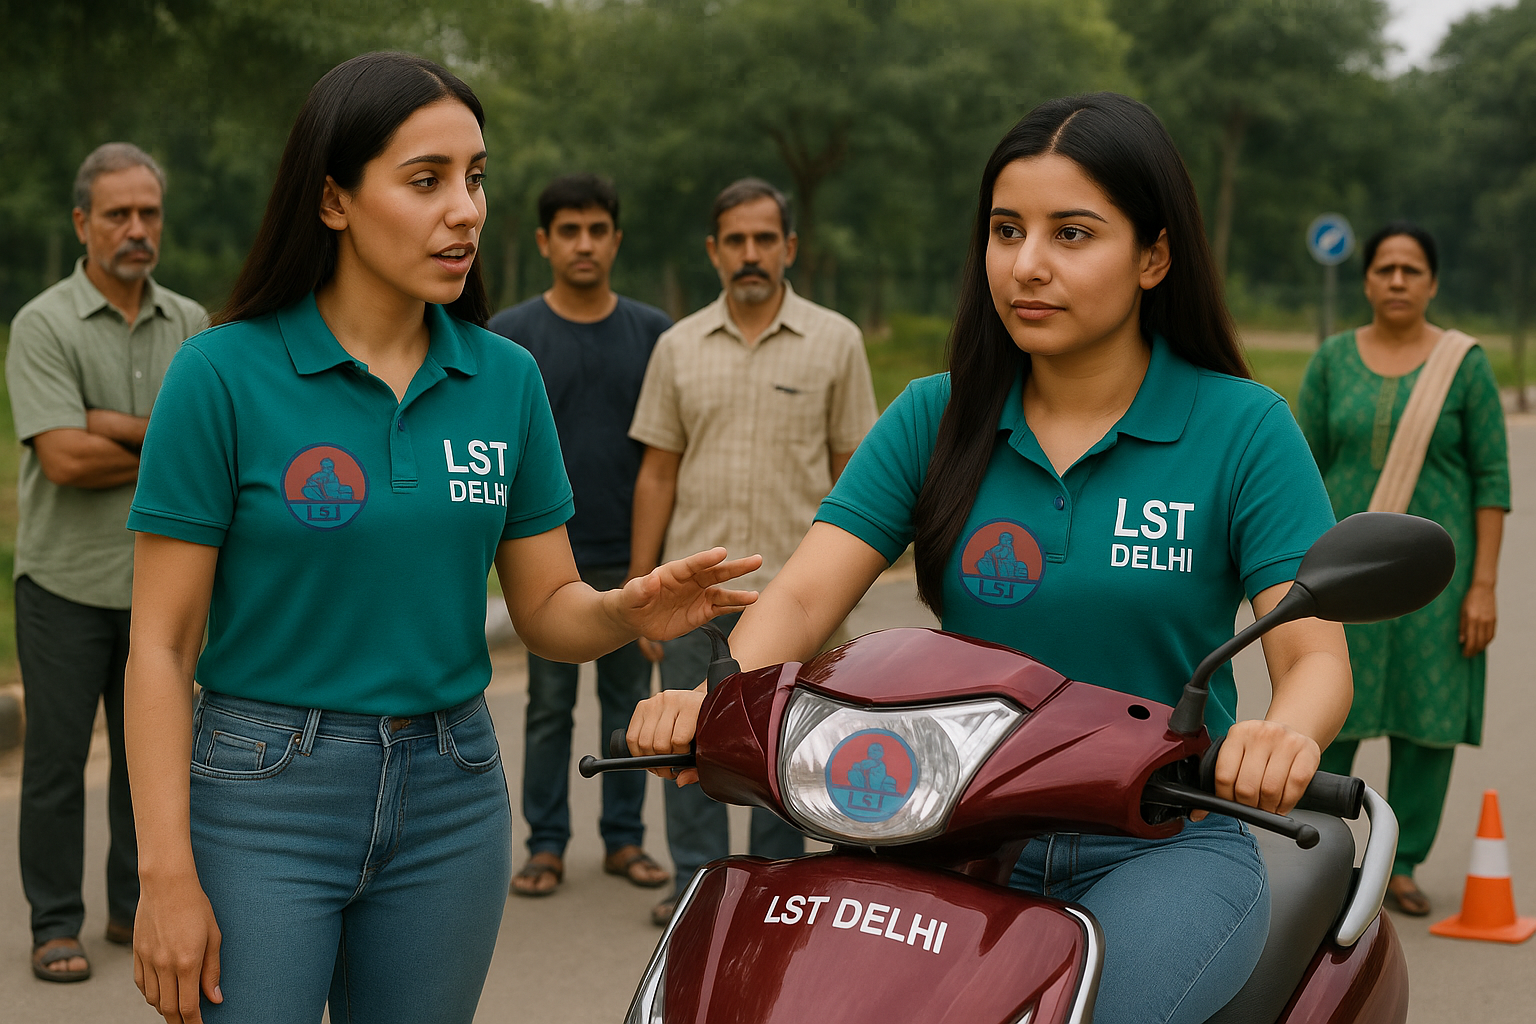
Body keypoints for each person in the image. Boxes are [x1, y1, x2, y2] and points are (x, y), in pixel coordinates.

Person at [628, 93, 1354, 1024]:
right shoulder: (936, 415)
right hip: (936, 824)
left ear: (1154, 256)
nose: (1027, 265)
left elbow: (1314, 656)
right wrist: (721, 694)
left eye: (1072, 233)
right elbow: (804, 596)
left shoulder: (1243, 428)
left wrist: (1285, 733)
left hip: (1161, 844)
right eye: (1007, 230)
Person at [121, 52, 758, 1024]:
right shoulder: (220, 375)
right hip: (263, 794)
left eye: (476, 177)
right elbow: (160, 646)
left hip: (451, 790)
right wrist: (165, 876)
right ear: (333, 199)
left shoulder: (503, 380)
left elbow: (545, 607)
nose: (465, 209)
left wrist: (624, 607)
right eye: (427, 181)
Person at [628, 176, 879, 924]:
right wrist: (641, 597)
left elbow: (855, 471)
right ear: (713, 251)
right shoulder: (677, 347)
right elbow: (658, 472)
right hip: (689, 604)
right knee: (687, 749)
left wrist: (846, 591)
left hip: (796, 599)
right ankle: (696, 894)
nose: (749, 254)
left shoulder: (836, 342)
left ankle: (773, 893)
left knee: (783, 759)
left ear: (789, 247)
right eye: (734, 240)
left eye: (764, 239)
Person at [6, 142, 206, 983]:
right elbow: (63, 461)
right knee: (54, 761)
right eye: (118, 215)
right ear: (83, 222)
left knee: (149, 757)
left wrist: (110, 422)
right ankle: (56, 923)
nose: (136, 229)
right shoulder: (43, 323)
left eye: (148, 213)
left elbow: (212, 456)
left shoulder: (193, 325)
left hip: (165, 589)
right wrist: (160, 441)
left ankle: (135, 906)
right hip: (64, 583)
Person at [1296, 222, 1510, 917]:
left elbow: (1491, 479)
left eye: (1410, 270)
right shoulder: (1332, 361)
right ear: (1365, 281)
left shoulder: (1465, 364)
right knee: (1333, 712)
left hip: (1437, 587)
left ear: (1432, 283)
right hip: (1343, 579)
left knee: (1428, 724)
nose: (1395, 280)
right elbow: (1300, 472)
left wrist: (1483, 585)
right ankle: (1316, 854)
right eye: (1384, 268)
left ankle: (1404, 863)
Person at [487, 173, 673, 897]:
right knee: (548, 707)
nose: (585, 244)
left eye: (598, 230)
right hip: (543, 560)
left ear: (616, 240)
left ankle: (624, 841)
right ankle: (546, 844)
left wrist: (646, 566)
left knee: (630, 709)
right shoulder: (511, 337)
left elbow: (664, 458)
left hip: (630, 563)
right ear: (544, 242)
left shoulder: (655, 335)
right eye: (569, 231)